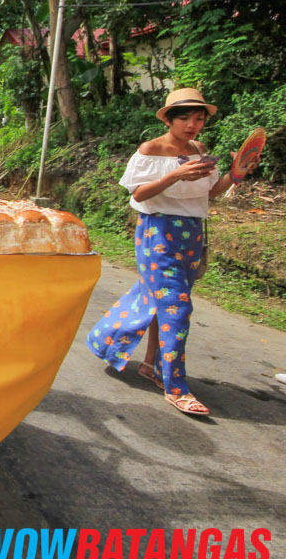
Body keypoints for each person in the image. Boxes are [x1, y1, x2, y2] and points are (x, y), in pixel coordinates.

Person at [85, 88, 255, 417]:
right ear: (169, 119)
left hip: (191, 235)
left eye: (199, 118)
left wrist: (238, 172)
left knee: (161, 302)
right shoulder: (152, 149)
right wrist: (174, 174)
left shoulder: (199, 150)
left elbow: (209, 194)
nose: (193, 124)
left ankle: (148, 365)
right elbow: (138, 192)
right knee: (177, 307)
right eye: (185, 118)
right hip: (156, 232)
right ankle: (175, 385)